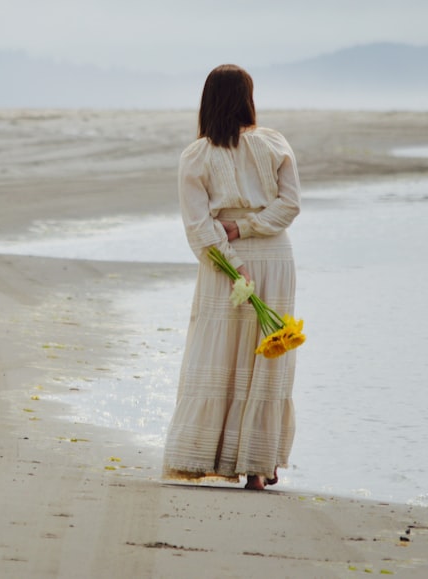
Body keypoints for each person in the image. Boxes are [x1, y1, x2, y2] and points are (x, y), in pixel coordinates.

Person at [162, 64, 301, 491]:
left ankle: (217, 456)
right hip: (275, 259)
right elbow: (290, 206)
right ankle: (260, 466)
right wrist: (253, 229)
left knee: (222, 354)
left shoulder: (197, 155)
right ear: (247, 98)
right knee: (265, 358)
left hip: (228, 261)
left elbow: (199, 228)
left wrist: (233, 255)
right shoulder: (274, 143)